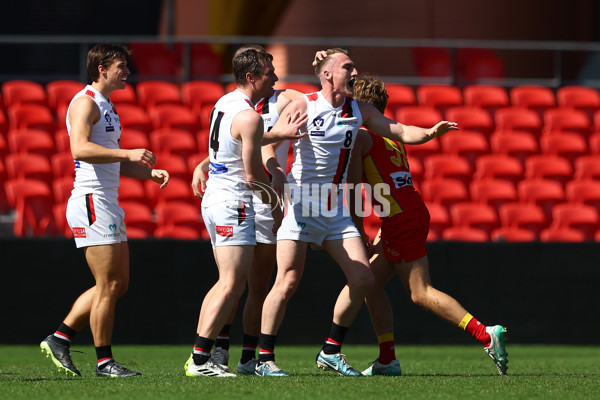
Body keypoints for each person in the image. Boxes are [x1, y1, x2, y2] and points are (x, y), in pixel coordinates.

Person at [255, 48, 458, 376]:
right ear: (327, 74)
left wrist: (430, 134)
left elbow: (400, 131)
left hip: (335, 211)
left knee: (363, 278)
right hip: (304, 204)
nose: (354, 72)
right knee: (288, 280)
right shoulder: (303, 104)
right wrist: (278, 155)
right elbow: (261, 138)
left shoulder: (358, 110)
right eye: (347, 67)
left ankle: (330, 351)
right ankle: (264, 359)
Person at [347, 73, 508, 376]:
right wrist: (382, 224)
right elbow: (390, 184)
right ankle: (387, 359)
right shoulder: (392, 137)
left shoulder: (362, 136)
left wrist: (358, 229)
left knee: (420, 292)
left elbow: (356, 189)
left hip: (401, 219)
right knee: (369, 284)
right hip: (405, 214)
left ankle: (485, 335)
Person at [40, 43, 170, 378]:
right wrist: (128, 154)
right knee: (108, 283)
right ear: (102, 69)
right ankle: (104, 362)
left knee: (116, 284)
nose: (127, 72)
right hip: (91, 202)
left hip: (106, 201)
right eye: (122, 66)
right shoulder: (85, 102)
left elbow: (111, 159)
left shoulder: (107, 105)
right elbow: (80, 148)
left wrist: (147, 172)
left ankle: (59, 338)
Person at [186, 48, 306, 378]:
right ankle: (200, 360)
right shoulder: (250, 115)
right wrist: (276, 205)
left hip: (215, 198)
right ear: (251, 77)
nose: (276, 78)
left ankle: (203, 355)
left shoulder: (225, 104)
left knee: (228, 283)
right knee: (231, 285)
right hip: (233, 202)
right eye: (270, 73)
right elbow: (253, 175)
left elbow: (232, 145)